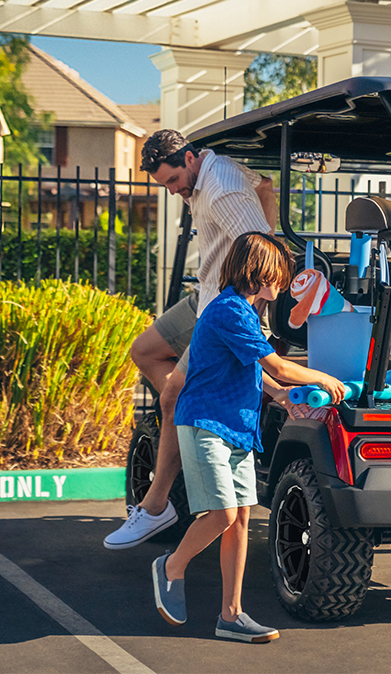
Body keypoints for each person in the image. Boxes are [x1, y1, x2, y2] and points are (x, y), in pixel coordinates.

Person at [152, 231, 345, 639]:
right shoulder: (229, 311)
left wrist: (280, 397)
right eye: (276, 273)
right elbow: (278, 367)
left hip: (237, 427)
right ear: (256, 272)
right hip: (206, 422)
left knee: (239, 519)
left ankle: (232, 615)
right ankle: (171, 567)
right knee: (222, 514)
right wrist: (322, 378)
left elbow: (256, 373)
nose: (282, 282)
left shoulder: (243, 313)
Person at [106, 129, 282, 550]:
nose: (171, 191)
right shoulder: (212, 173)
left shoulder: (218, 188)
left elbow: (262, 245)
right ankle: (192, 420)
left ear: (188, 158)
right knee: (146, 351)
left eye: (171, 181)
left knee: (171, 399)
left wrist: (248, 320)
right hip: (205, 297)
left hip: (222, 313)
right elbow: (265, 187)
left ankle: (156, 505)